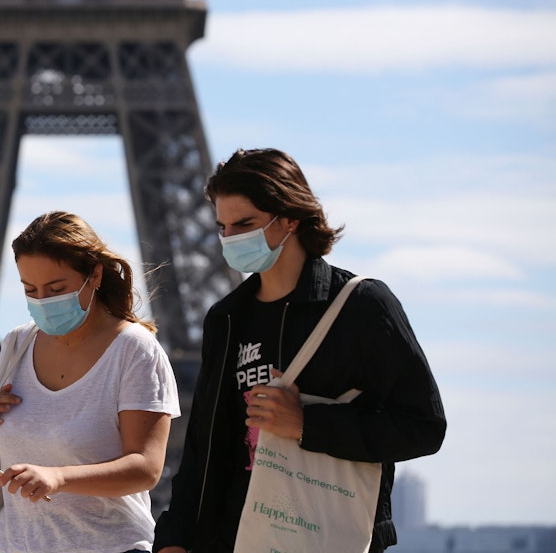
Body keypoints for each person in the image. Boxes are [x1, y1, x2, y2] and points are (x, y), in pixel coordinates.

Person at [152, 148, 447, 553]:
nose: (231, 239)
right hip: (236, 538)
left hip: (329, 535)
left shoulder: (362, 306)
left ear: (290, 217)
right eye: (223, 227)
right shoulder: (226, 319)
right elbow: (204, 444)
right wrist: (174, 538)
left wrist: (308, 424)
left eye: (245, 224)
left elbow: (424, 427)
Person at [0, 211, 181, 553]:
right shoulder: (16, 346)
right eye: (30, 290)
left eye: (56, 289)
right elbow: (2, 455)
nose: (42, 301)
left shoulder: (134, 350)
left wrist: (60, 477)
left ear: (94, 275)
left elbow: (145, 468)